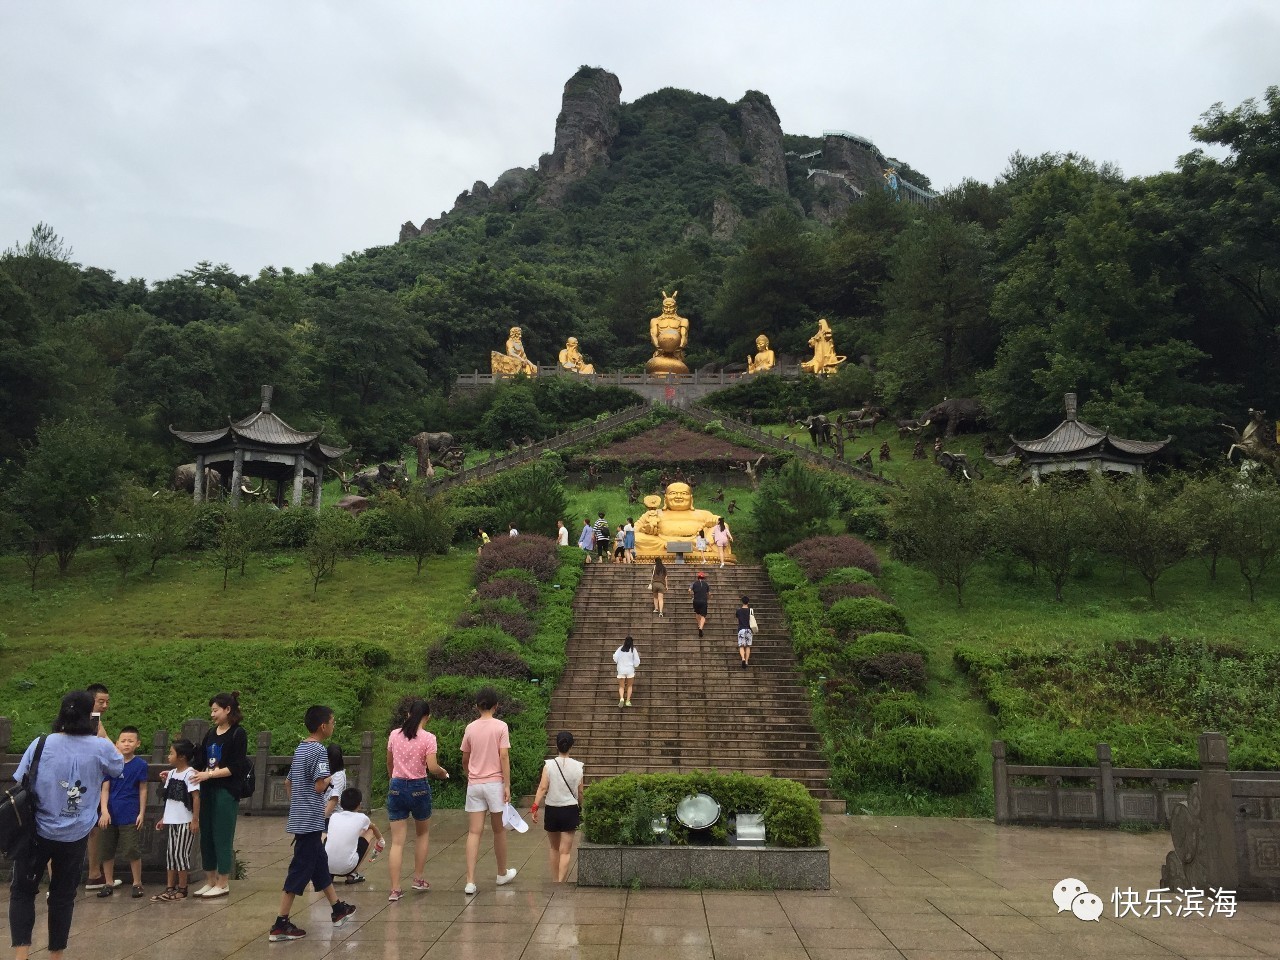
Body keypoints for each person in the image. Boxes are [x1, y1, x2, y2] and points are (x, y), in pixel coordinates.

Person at [9, 690, 123, 960]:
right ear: (89, 715)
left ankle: (21, 956)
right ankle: (56, 956)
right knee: (62, 895)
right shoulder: (101, 747)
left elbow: (21, 779)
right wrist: (100, 730)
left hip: (35, 832)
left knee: (23, 892)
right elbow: (118, 767)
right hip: (74, 835)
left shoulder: (40, 743)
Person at [268, 706, 356, 942]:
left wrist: (297, 803)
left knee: (319, 864)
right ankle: (280, 923)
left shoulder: (301, 748)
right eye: (333, 722)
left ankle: (338, 909)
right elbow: (319, 786)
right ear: (323, 727)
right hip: (310, 821)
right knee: (299, 871)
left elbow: (289, 783)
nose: (334, 725)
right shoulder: (318, 750)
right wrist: (331, 777)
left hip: (302, 817)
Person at [385, 698, 449, 901]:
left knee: (397, 842)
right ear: (427, 717)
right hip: (419, 788)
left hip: (396, 786)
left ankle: (395, 889)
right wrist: (442, 773)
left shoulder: (395, 734)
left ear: (408, 714)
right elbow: (432, 767)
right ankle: (418, 878)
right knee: (422, 834)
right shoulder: (428, 738)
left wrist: (393, 780)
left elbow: (389, 761)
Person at [190, 691, 247, 899]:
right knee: (206, 837)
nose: (212, 714)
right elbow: (201, 760)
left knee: (222, 835)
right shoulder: (211, 733)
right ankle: (210, 880)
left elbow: (236, 767)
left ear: (227, 710)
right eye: (211, 711)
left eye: (215, 710)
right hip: (208, 789)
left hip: (226, 790)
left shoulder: (237, 734)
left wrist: (210, 774)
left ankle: (223, 882)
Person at [461, 686, 517, 895]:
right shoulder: (501, 726)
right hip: (494, 783)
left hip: (474, 784)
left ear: (477, 706)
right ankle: (501, 873)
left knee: (474, 832)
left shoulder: (470, 728)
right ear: (496, 706)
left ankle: (470, 881)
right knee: (499, 830)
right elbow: (504, 756)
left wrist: (469, 773)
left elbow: (465, 758)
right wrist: (507, 784)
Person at [97, 726, 148, 899]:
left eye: (130, 741)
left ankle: (137, 882)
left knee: (132, 849)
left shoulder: (140, 765)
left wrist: (141, 812)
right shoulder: (111, 763)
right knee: (106, 849)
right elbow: (104, 789)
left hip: (129, 812)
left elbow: (143, 789)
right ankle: (108, 882)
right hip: (110, 813)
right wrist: (103, 811)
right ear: (117, 743)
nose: (126, 744)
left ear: (137, 743)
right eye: (123, 741)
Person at [530, 731, 583, 883]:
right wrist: (582, 807)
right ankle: (561, 881)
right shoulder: (578, 767)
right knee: (565, 851)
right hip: (570, 809)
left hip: (552, 809)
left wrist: (535, 807)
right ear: (571, 746)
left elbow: (542, 788)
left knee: (554, 848)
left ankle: (554, 881)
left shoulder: (549, 765)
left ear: (556, 745)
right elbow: (580, 792)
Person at [151, 738, 200, 902]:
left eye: (171, 753)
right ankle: (170, 887)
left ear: (182, 756)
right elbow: (170, 799)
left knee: (181, 855)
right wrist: (164, 818)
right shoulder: (171, 774)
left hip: (185, 821)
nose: (168, 756)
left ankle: (182, 888)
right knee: (171, 854)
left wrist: (195, 819)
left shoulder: (190, 774)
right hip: (172, 820)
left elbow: (195, 798)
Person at [83, 682, 111, 890]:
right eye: (101, 701)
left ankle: (94, 873)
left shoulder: (96, 722)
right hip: (78, 784)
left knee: (94, 828)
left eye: (107, 702)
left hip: (92, 783)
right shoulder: (85, 723)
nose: (105, 706)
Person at [326, 788, 384, 886]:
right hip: (347, 867)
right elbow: (373, 827)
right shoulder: (362, 818)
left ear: (340, 803)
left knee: (329, 838)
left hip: (326, 866)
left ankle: (329, 874)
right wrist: (381, 840)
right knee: (369, 832)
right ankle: (352, 874)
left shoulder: (334, 816)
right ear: (359, 805)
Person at [613, 636, 640, 707]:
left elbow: (615, 657)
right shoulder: (633, 649)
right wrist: (635, 665)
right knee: (629, 686)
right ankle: (628, 701)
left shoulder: (620, 648)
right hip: (630, 670)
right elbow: (636, 660)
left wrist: (619, 662)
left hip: (621, 670)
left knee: (621, 686)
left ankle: (621, 698)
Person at [323, 744, 347, 822]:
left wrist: (320, 820)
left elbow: (334, 800)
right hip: (326, 815)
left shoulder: (338, 776)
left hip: (332, 817)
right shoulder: (329, 771)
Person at [736, 596, 754, 669]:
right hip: (748, 630)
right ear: (748, 602)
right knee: (748, 646)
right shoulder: (750, 610)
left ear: (742, 602)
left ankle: (743, 658)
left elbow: (737, 617)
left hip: (741, 629)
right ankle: (746, 661)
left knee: (741, 646)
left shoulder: (738, 611)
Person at [690, 570, 710, 637]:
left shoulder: (694, 583)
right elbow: (708, 593)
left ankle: (699, 625)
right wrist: (709, 597)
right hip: (703, 601)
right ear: (703, 578)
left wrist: (692, 596)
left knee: (697, 613)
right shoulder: (706, 584)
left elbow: (689, 590)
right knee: (703, 616)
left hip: (696, 600)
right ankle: (701, 628)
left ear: (697, 577)